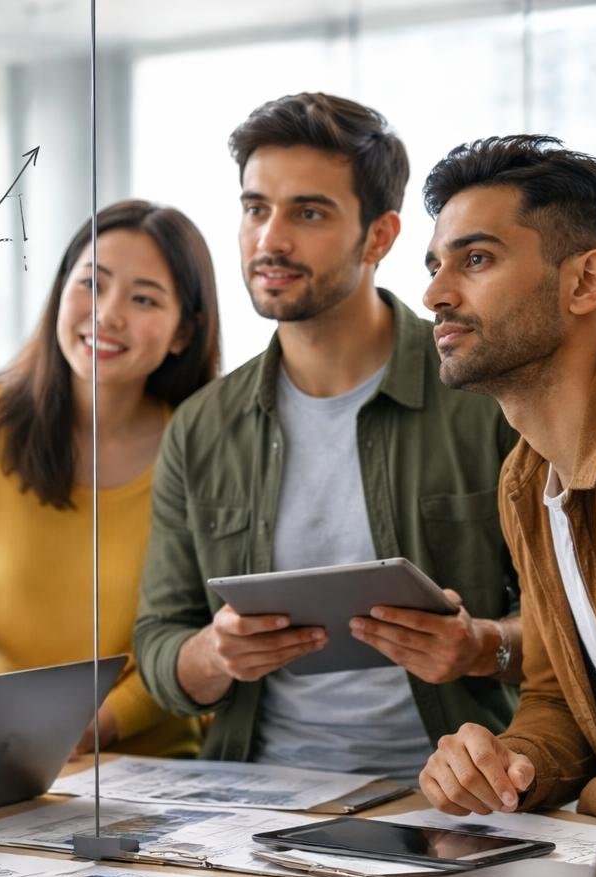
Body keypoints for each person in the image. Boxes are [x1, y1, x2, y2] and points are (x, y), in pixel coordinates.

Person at [135, 93, 523, 780]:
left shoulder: (485, 401)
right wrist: (214, 654)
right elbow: (160, 642)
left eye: (307, 213)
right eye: (256, 209)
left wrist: (480, 645)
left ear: (379, 237)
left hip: (454, 790)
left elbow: (577, 627)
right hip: (253, 792)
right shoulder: (201, 428)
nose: (269, 240)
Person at [0, 201, 219, 756]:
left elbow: (200, 635)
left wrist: (98, 724)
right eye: (91, 284)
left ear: (183, 332)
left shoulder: (205, 448)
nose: (107, 315)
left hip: (146, 762)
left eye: (144, 298)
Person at [418, 136, 596, 820]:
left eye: (475, 260)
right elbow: (556, 697)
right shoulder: (526, 476)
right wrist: (507, 766)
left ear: (585, 282)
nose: (433, 295)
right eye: (434, 266)